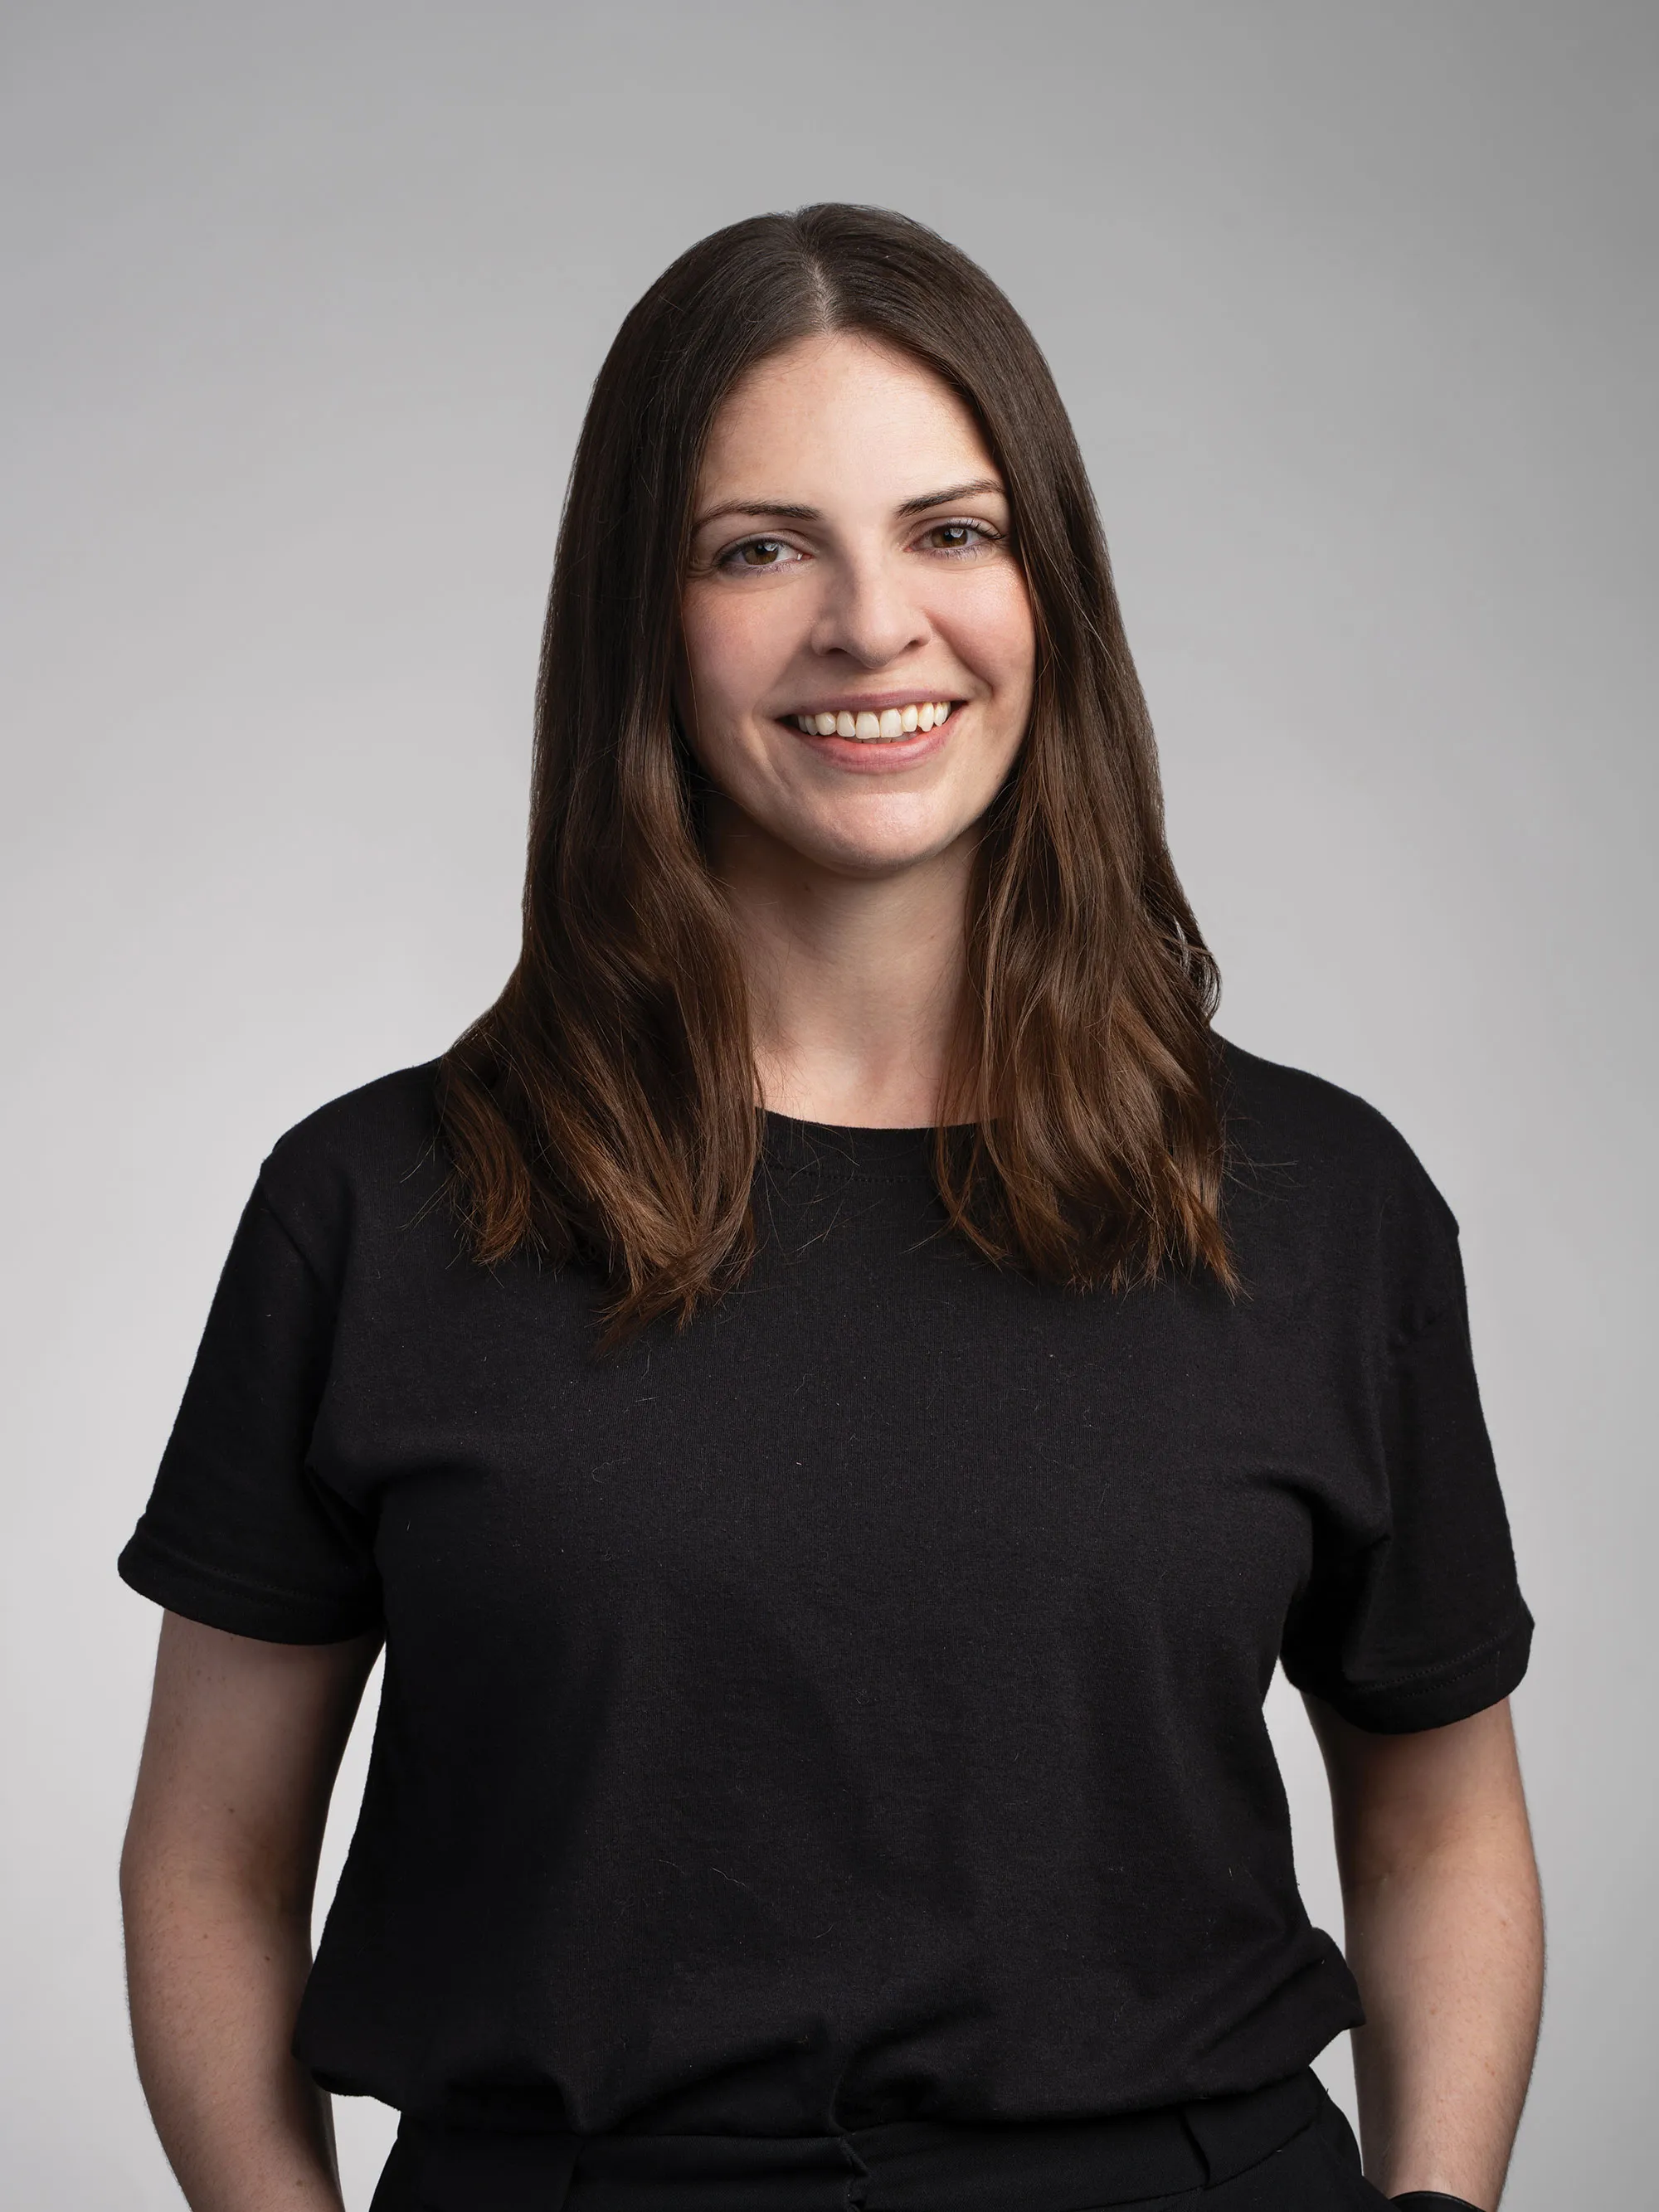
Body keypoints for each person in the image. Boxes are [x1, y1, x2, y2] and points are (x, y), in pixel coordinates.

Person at [118, 205, 1542, 2212]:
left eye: (953, 531)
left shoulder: (1317, 1204)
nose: (872, 623)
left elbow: (1437, 1822)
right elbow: (206, 1856)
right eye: (758, 546)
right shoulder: (377, 1207)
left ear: (1049, 586)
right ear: (642, 612)